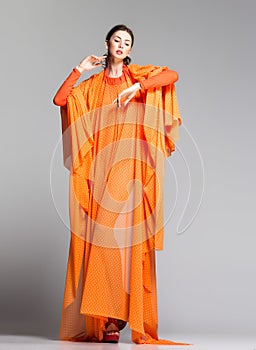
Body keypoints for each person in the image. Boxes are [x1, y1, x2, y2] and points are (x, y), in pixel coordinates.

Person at [53, 24, 188, 345]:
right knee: (101, 244)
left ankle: (121, 318)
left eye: (127, 42)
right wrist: (78, 69)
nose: (121, 45)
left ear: (130, 49)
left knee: (127, 245)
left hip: (131, 171)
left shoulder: (137, 77)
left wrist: (137, 89)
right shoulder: (90, 86)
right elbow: (60, 100)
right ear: (107, 43)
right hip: (100, 171)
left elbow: (173, 75)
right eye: (117, 40)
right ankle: (106, 320)